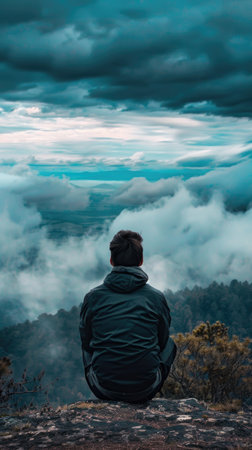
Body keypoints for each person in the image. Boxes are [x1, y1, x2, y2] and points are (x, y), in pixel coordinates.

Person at [79, 230, 177, 403]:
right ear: (140, 261)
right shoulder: (156, 297)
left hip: (103, 388)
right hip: (145, 389)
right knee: (170, 344)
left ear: (111, 261)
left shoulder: (93, 297)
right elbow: (162, 342)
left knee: (87, 348)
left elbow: (86, 341)